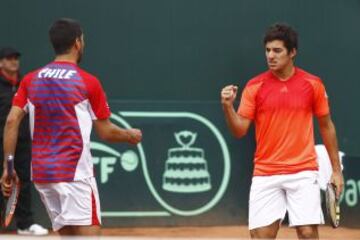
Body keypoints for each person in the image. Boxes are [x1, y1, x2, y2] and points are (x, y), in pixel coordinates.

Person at [1, 18, 142, 236]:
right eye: (82, 40)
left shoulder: (30, 80)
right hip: (75, 175)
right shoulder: (88, 82)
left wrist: (8, 168)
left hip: (43, 176)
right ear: (77, 43)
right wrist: (129, 135)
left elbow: (11, 121)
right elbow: (106, 132)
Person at [221, 23, 344, 239]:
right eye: (268, 50)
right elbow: (239, 130)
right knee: (262, 236)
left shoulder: (312, 84)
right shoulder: (254, 86)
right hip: (266, 172)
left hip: (303, 170)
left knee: (307, 233)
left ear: (292, 52)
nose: (270, 56)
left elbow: (326, 126)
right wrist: (227, 106)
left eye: (277, 50)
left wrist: (336, 171)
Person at [0, 47, 48, 235]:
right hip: (1, 141)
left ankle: (25, 224)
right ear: (1, 62)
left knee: (24, 182)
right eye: (9, 58)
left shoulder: (25, 84)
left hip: (22, 143)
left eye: (16, 58)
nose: (14, 62)